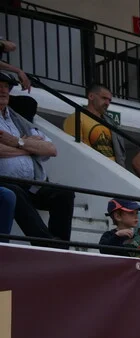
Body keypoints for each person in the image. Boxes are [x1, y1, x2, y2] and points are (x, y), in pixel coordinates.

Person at [0, 75, 74, 247]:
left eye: (6, 86)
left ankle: (61, 248)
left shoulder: (18, 119)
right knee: (14, 191)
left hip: (31, 184)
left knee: (64, 194)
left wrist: (16, 141)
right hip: (5, 183)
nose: (3, 90)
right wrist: (29, 147)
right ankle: (45, 244)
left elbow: (51, 149)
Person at [62, 83, 125, 166]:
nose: (107, 103)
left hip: (113, 169)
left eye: (109, 100)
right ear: (91, 96)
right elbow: (73, 150)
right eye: (104, 98)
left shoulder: (110, 123)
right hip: (92, 167)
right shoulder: (77, 117)